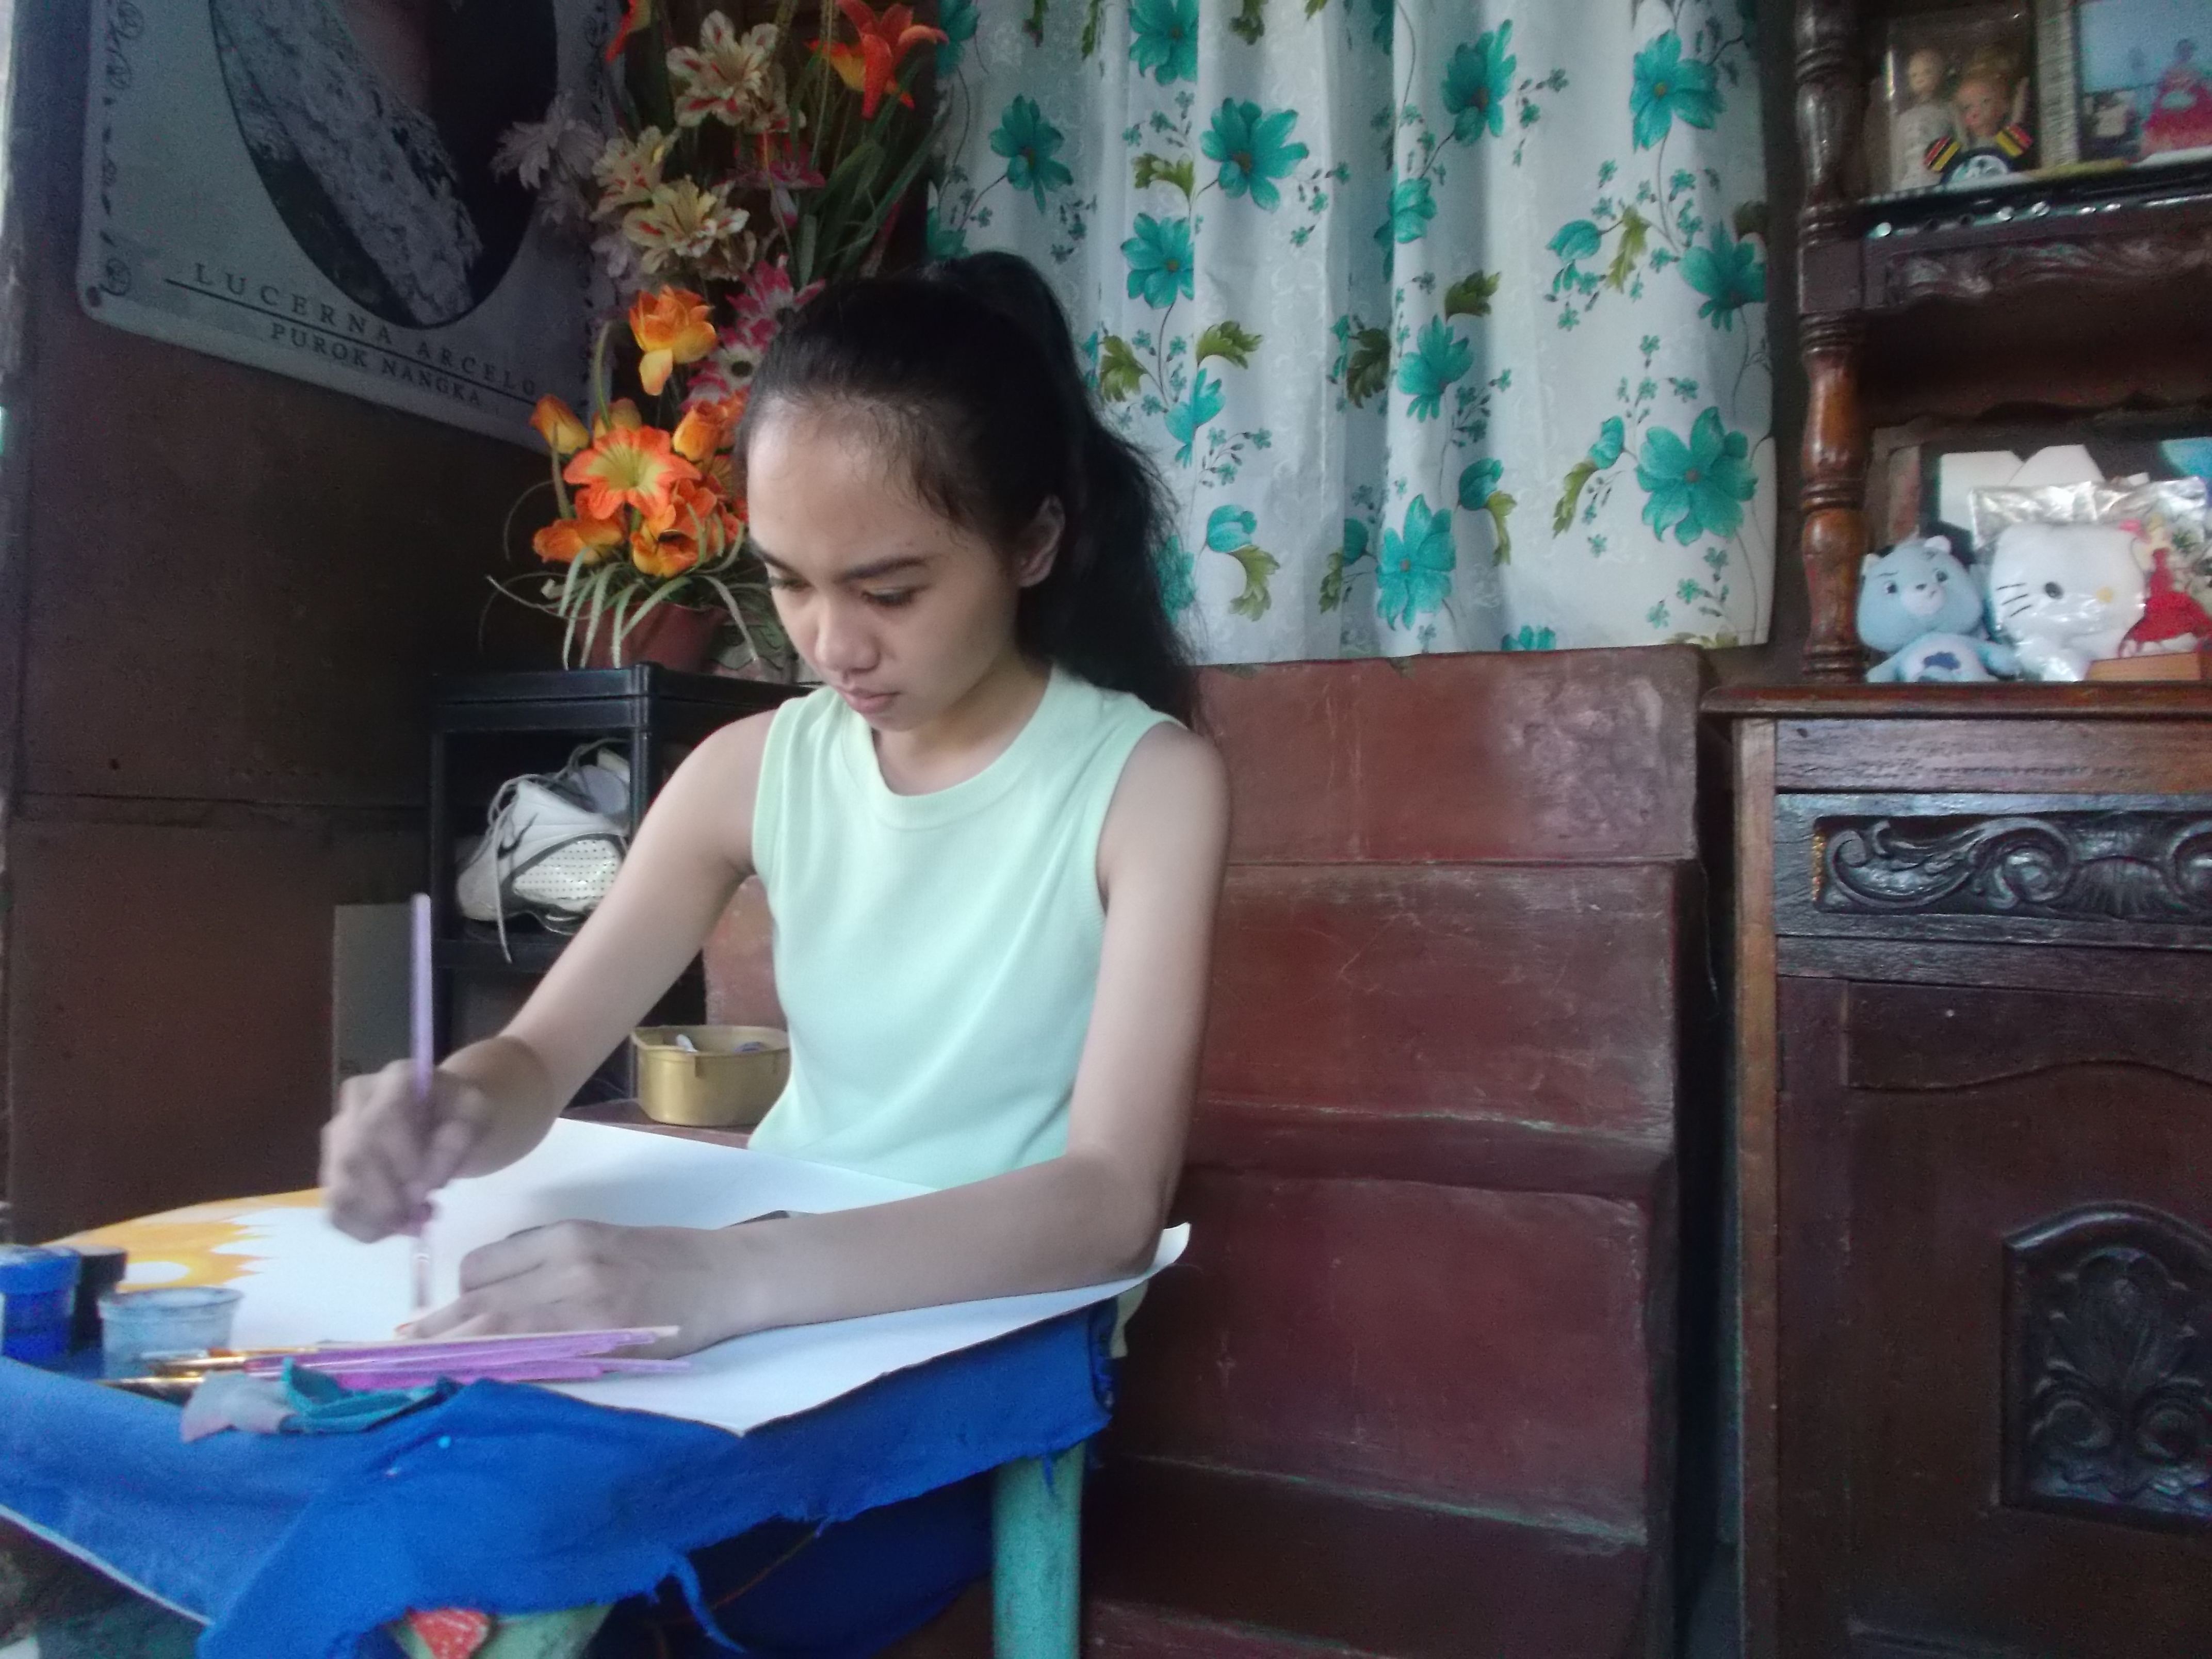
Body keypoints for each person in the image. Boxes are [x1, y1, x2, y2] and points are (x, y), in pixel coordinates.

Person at [323, 251, 1226, 1391]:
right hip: (778, 1292)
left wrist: (722, 1278)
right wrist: (451, 1107)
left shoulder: (1144, 784)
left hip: (999, 1323)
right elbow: (540, 1058)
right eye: (789, 581)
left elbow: (1110, 1204)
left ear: (1032, 544)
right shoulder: (750, 770)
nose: (833, 646)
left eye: (889, 592)